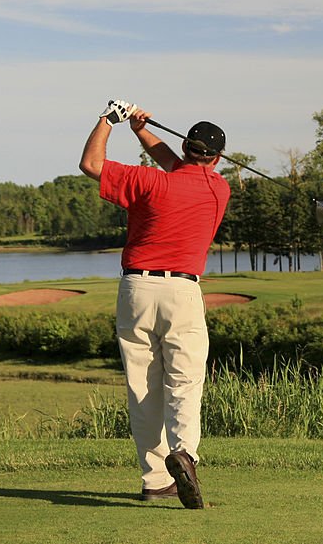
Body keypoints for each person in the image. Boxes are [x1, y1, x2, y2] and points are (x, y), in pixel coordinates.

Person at [79, 103, 231, 510]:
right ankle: (185, 454)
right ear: (216, 159)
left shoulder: (147, 182)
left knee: (143, 387)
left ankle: (155, 479)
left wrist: (110, 122)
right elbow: (183, 166)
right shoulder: (219, 189)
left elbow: (91, 163)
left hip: (136, 289)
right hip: (183, 292)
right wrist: (142, 132)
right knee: (183, 382)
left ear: (185, 146)